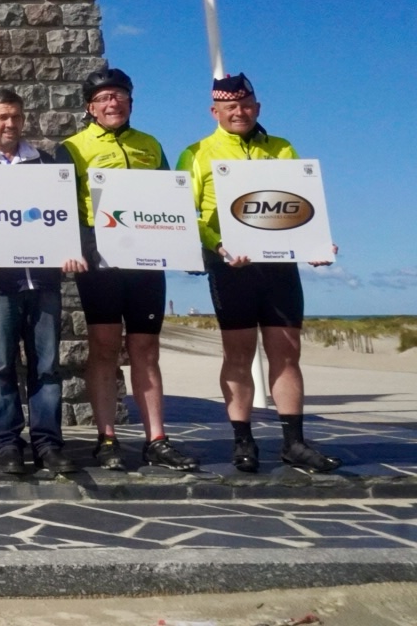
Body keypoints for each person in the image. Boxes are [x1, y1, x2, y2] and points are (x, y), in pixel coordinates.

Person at [176, 72, 340, 475]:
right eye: (231, 107)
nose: (240, 112)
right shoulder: (196, 152)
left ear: (258, 107)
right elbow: (185, 213)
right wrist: (217, 243)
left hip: (279, 265)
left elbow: (301, 206)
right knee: (239, 354)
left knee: (287, 352)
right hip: (231, 265)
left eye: (246, 105)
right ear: (215, 111)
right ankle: (243, 441)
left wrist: (317, 245)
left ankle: (294, 443)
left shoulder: (282, 148)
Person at [62, 68, 199, 473]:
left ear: (130, 102)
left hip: (146, 265)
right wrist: (80, 249)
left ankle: (157, 438)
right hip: (101, 263)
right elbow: (65, 208)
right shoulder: (71, 147)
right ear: (91, 107)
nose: (112, 103)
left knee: (146, 350)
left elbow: (170, 202)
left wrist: (185, 247)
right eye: (103, 98)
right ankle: (107, 438)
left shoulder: (150, 145)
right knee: (104, 348)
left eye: (119, 96)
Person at [0, 89, 86, 476]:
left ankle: (47, 445)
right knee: (0, 368)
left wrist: (69, 250)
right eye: (3, 117)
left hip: (43, 282)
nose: (10, 124)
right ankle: (8, 444)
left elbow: (62, 217)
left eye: (16, 117)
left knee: (46, 368)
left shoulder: (43, 164)